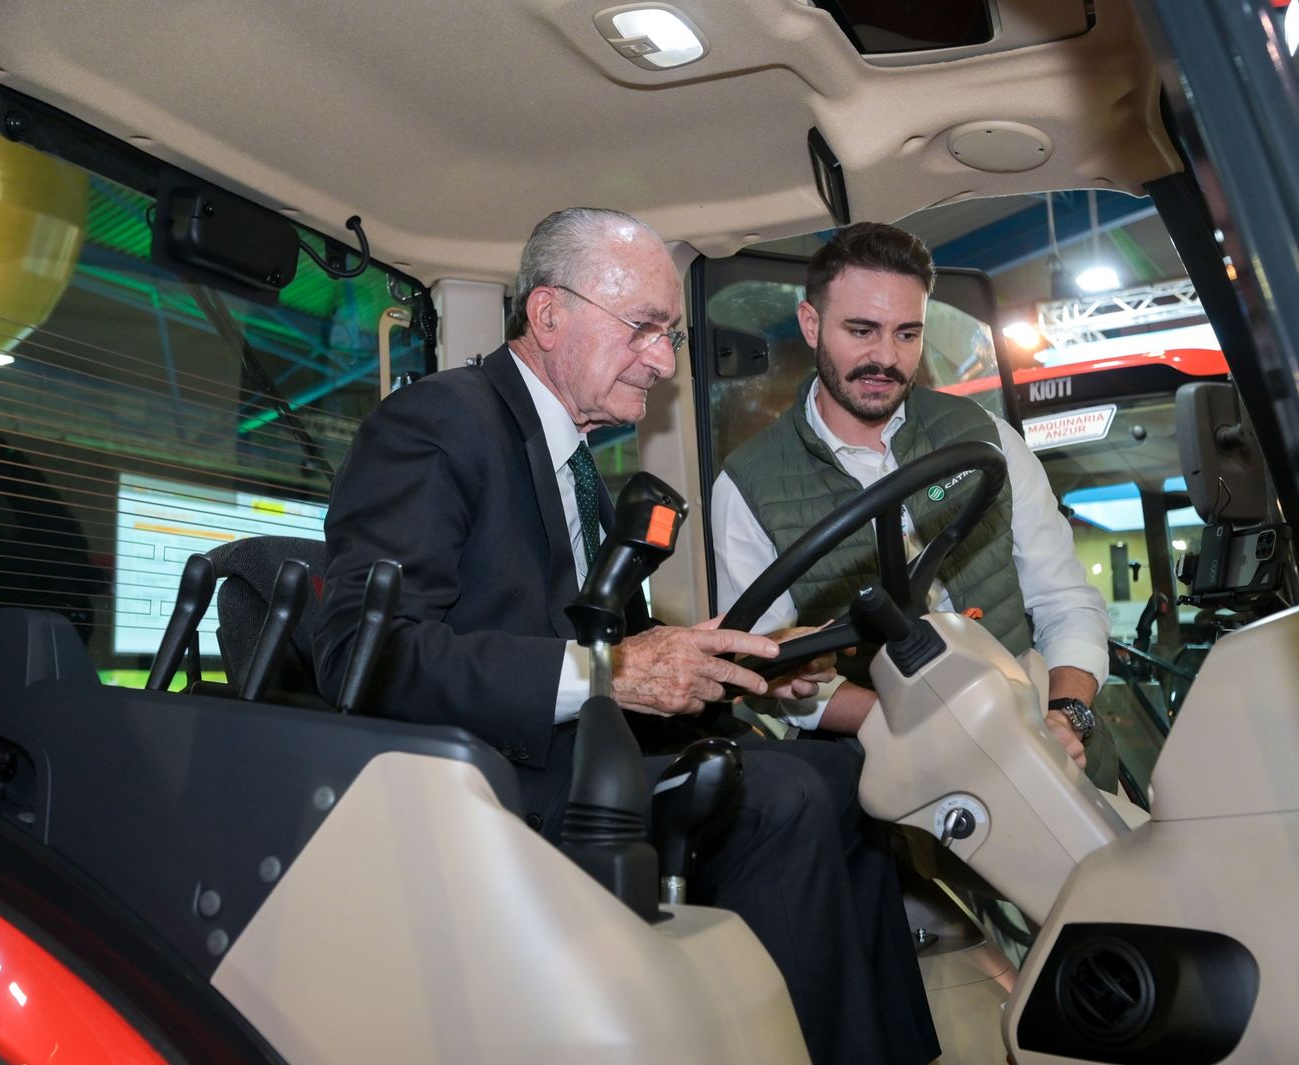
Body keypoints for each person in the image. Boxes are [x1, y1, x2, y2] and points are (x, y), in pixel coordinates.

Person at [315, 207, 940, 1065]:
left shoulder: (576, 464)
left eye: (671, 333)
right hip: (495, 785)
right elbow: (365, 654)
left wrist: (736, 669)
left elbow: (623, 662)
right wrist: (610, 670)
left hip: (579, 755)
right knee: (782, 802)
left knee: (846, 777)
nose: (663, 358)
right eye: (645, 328)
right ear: (548, 315)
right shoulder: (435, 424)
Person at [711, 221, 1116, 788]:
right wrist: (930, 729)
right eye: (861, 330)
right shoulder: (747, 484)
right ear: (811, 324)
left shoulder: (985, 436)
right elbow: (777, 675)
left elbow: (1065, 601)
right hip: (886, 766)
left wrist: (1067, 714)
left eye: (907, 334)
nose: (886, 357)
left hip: (1042, 736)